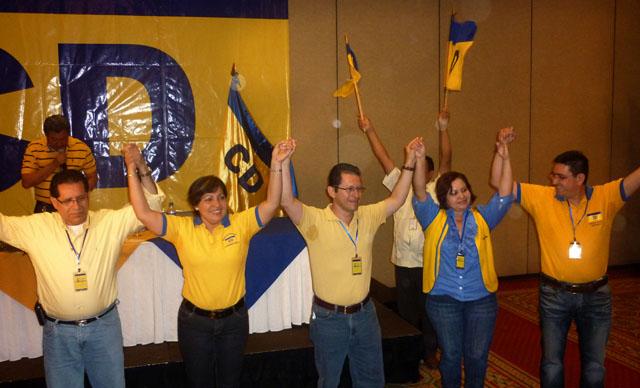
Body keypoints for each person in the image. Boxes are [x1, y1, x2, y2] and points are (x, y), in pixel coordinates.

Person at [126, 140, 293, 388]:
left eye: (221, 198)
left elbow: (271, 203)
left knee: (230, 382)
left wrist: (277, 163)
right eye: (208, 199)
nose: (216, 205)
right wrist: (132, 168)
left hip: (234, 322)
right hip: (195, 323)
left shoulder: (240, 223)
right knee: (199, 382)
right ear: (195, 205)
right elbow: (142, 213)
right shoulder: (181, 229)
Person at [0, 145, 162, 388]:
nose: (76, 206)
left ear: (88, 195)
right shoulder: (35, 228)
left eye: (81, 198)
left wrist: (139, 166)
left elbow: (152, 206)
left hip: (104, 328)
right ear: (54, 201)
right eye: (67, 201)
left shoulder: (109, 222)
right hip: (58, 334)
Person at [496, 127, 640, 387]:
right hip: (554, 295)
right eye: (554, 175)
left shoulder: (606, 197)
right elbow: (499, 184)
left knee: (595, 368)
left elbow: (635, 179)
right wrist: (502, 153)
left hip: (596, 296)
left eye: (561, 177)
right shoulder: (543, 198)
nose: (554, 181)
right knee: (551, 365)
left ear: (580, 178)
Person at [281, 136, 422, 388]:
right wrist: (281, 163)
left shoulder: (367, 216)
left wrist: (410, 161)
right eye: (349, 189)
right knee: (329, 381)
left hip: (365, 315)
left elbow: (398, 198)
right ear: (331, 191)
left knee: (371, 380)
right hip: (329, 319)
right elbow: (286, 201)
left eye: (359, 189)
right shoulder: (314, 219)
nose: (355, 195)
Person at [412, 127, 514, 388]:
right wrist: (420, 159)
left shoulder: (482, 219)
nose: (461, 196)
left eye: (464, 190)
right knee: (452, 355)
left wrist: (505, 154)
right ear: (444, 197)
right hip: (443, 300)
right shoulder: (432, 218)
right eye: (454, 192)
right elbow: (420, 190)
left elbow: (505, 193)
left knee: (477, 357)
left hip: (481, 300)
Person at [358, 110, 452, 368]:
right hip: (403, 262)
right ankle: (411, 354)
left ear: (431, 173)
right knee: (407, 311)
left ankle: (430, 350)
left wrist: (443, 128)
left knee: (430, 310)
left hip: (430, 261)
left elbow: (447, 159)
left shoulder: (436, 189)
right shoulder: (400, 185)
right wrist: (369, 129)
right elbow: (383, 157)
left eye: (423, 168)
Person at [21, 114, 97, 213]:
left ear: (68, 134)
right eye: (54, 139)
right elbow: (26, 182)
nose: (59, 143)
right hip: (45, 207)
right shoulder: (34, 148)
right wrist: (55, 163)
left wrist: (79, 196)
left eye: (63, 139)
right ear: (46, 135)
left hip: (74, 206)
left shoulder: (81, 148)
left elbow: (93, 177)